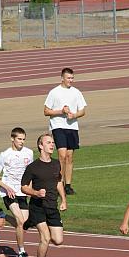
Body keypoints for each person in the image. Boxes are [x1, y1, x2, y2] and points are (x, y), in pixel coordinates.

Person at [21, 133, 67, 257]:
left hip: (52, 206)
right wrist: (35, 193)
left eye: (53, 142)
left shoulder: (56, 164)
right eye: (48, 142)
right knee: (45, 238)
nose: (52, 145)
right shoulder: (33, 167)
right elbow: (24, 187)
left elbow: (59, 182)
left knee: (58, 241)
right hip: (38, 206)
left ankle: (30, 221)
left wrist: (64, 200)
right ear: (41, 146)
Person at [0, 127, 35, 257]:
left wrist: (30, 189)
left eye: (23, 139)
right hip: (8, 192)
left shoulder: (29, 153)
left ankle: (2, 216)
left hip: (22, 191)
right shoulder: (4, 155)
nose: (22, 142)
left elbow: (30, 173)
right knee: (20, 221)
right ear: (12, 139)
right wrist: (6, 187)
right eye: (19, 139)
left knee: (23, 222)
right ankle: (21, 251)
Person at [43, 67, 87, 196]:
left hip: (72, 127)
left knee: (69, 156)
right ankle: (59, 183)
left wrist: (74, 115)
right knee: (61, 155)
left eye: (72, 78)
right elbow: (46, 111)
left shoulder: (76, 92)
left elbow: (82, 111)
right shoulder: (54, 92)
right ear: (62, 78)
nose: (70, 80)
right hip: (58, 126)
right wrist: (61, 111)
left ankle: (68, 185)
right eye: (68, 78)